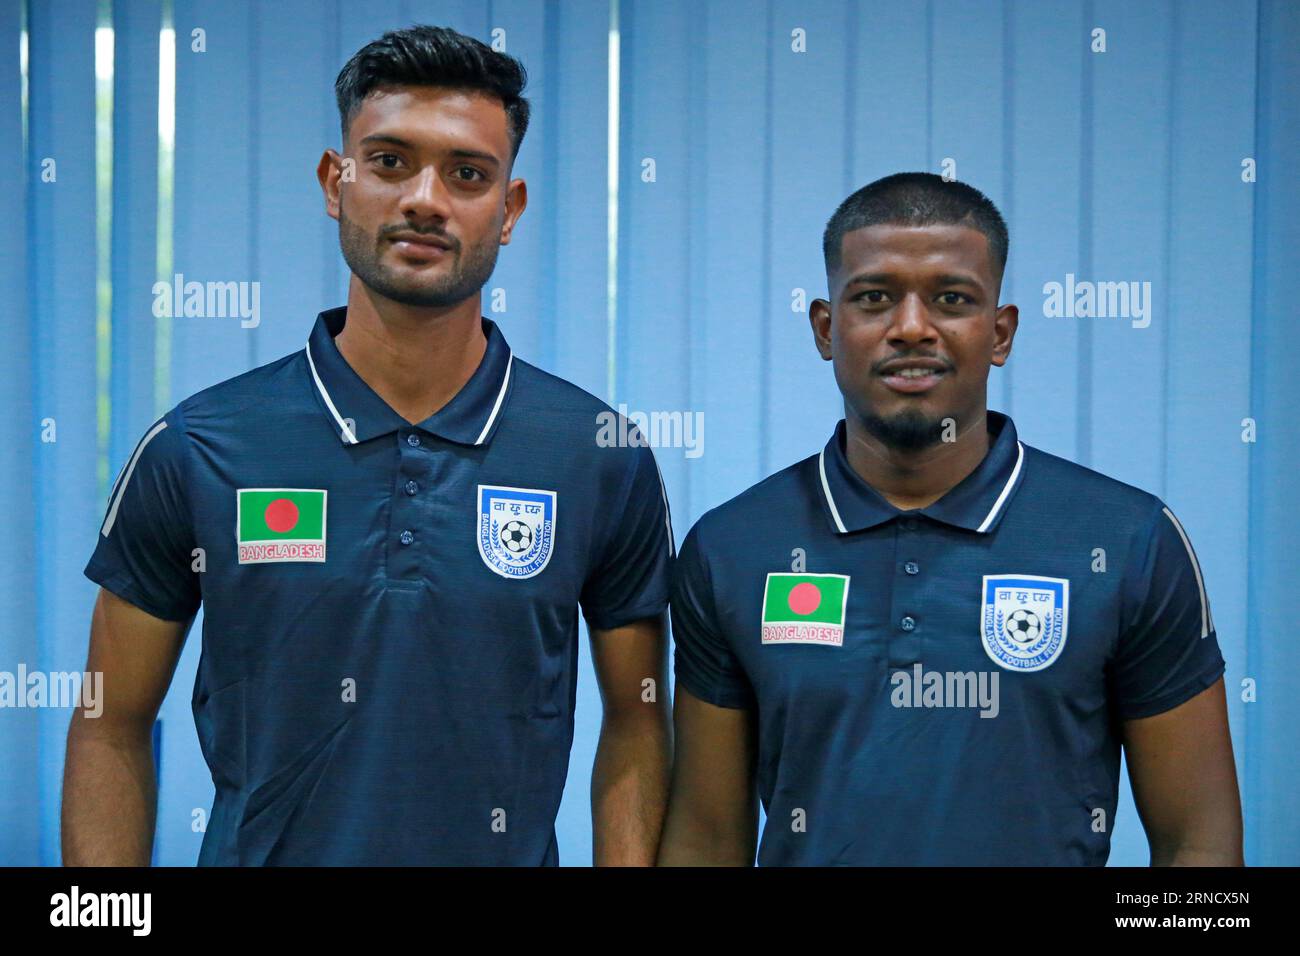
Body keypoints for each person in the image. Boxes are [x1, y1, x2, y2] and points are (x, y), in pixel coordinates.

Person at [63, 24, 674, 866]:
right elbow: (109, 725)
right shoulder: (197, 445)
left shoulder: (600, 454)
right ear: (335, 180)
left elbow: (639, 720)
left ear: (510, 209)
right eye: (389, 161)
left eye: (468, 174)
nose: (426, 198)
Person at [659, 172, 1242, 866]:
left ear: (1000, 333)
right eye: (874, 298)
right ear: (825, 327)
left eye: (952, 299)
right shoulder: (733, 549)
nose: (911, 328)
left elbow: (1198, 844)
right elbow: (706, 837)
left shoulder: (1128, 541)